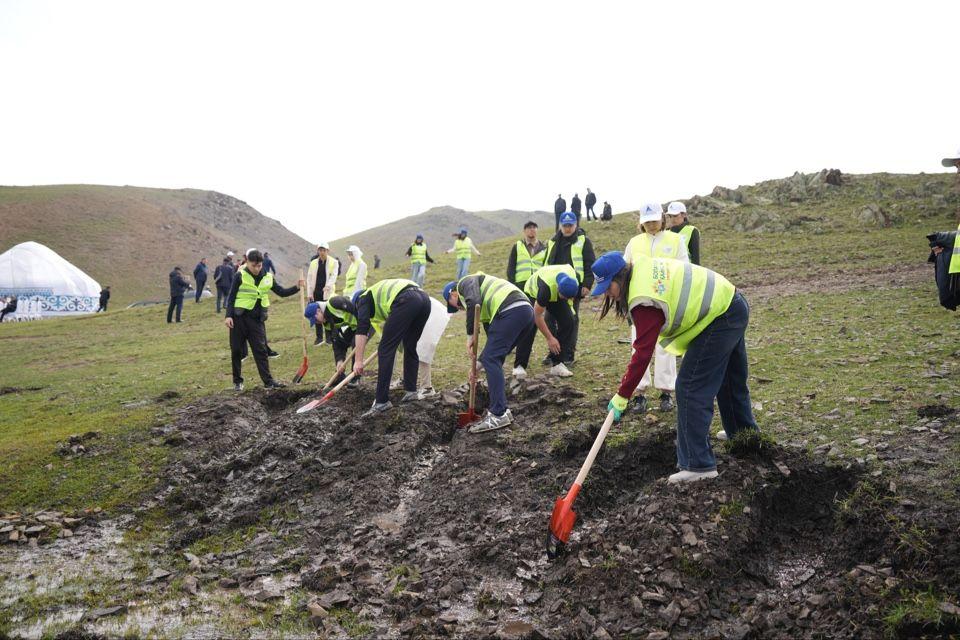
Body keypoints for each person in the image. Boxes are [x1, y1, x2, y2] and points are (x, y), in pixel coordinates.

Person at [592, 251, 758, 483]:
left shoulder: (643, 300)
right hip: (732, 302)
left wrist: (623, 394)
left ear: (620, 278)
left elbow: (642, 354)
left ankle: (698, 465)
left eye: (608, 287)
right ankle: (743, 435)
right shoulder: (640, 271)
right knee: (730, 379)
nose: (608, 294)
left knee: (690, 386)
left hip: (720, 316)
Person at [443, 273, 536, 432]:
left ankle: (497, 414)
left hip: (511, 310)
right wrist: (477, 367)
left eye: (456, 305)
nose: (459, 308)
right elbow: (491, 347)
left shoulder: (465, 282)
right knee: (494, 358)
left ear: (453, 293)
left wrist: (471, 335)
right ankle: (503, 412)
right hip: (525, 312)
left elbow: (473, 302)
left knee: (492, 359)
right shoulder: (488, 307)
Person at [622, 202, 690, 413]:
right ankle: (640, 393)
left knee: (665, 347)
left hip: (667, 303)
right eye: (647, 221)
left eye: (654, 220)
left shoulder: (675, 240)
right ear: (641, 223)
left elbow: (685, 269)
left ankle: (666, 392)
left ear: (662, 218)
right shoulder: (634, 243)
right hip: (641, 304)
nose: (651, 225)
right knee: (639, 347)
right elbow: (625, 273)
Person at [352, 279, 433, 417]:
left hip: (407, 299)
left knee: (385, 350)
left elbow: (362, 329)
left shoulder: (362, 299)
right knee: (410, 345)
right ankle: (411, 392)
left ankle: (381, 402)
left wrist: (358, 361)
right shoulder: (380, 298)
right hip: (424, 299)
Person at [224, 249, 302, 391]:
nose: (257, 268)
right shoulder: (239, 275)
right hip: (238, 319)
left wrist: (296, 287)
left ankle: (268, 381)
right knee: (236, 351)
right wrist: (228, 316)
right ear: (247, 262)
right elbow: (231, 297)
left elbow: (282, 292)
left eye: (259, 265)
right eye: (254, 265)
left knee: (260, 351)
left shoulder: (268, 277)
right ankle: (237, 381)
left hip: (257, 320)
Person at [544, 211, 596, 364]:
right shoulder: (552, 241)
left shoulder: (583, 241)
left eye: (570, 225)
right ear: (560, 226)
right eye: (565, 225)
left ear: (576, 225)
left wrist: (587, 284)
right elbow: (546, 263)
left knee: (571, 320)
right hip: (553, 288)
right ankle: (554, 352)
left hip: (574, 288)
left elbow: (590, 264)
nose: (567, 228)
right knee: (549, 319)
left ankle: (568, 354)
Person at [524, 264, 580, 377]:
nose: (566, 299)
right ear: (558, 288)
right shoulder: (545, 289)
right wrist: (550, 338)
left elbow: (568, 303)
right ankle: (520, 365)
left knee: (569, 321)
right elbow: (537, 315)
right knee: (529, 325)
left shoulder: (574, 280)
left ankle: (557, 364)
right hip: (533, 291)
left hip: (555, 289)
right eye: (564, 297)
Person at [305, 296, 361, 387]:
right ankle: (340, 376)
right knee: (341, 342)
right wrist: (339, 360)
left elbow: (355, 308)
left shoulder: (334, 303)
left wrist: (362, 330)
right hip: (353, 327)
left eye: (315, 319)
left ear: (319, 310)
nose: (316, 322)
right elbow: (336, 342)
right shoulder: (326, 323)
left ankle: (355, 377)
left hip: (364, 321)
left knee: (356, 343)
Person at [307, 242, 340, 345]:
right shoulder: (313, 263)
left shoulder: (334, 262)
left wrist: (328, 286)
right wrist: (309, 293)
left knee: (327, 314)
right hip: (316, 292)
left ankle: (329, 337)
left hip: (327, 292)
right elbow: (309, 278)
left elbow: (334, 276)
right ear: (318, 251)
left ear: (327, 251)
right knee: (316, 314)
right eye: (320, 250)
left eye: (324, 250)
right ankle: (319, 337)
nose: (322, 252)